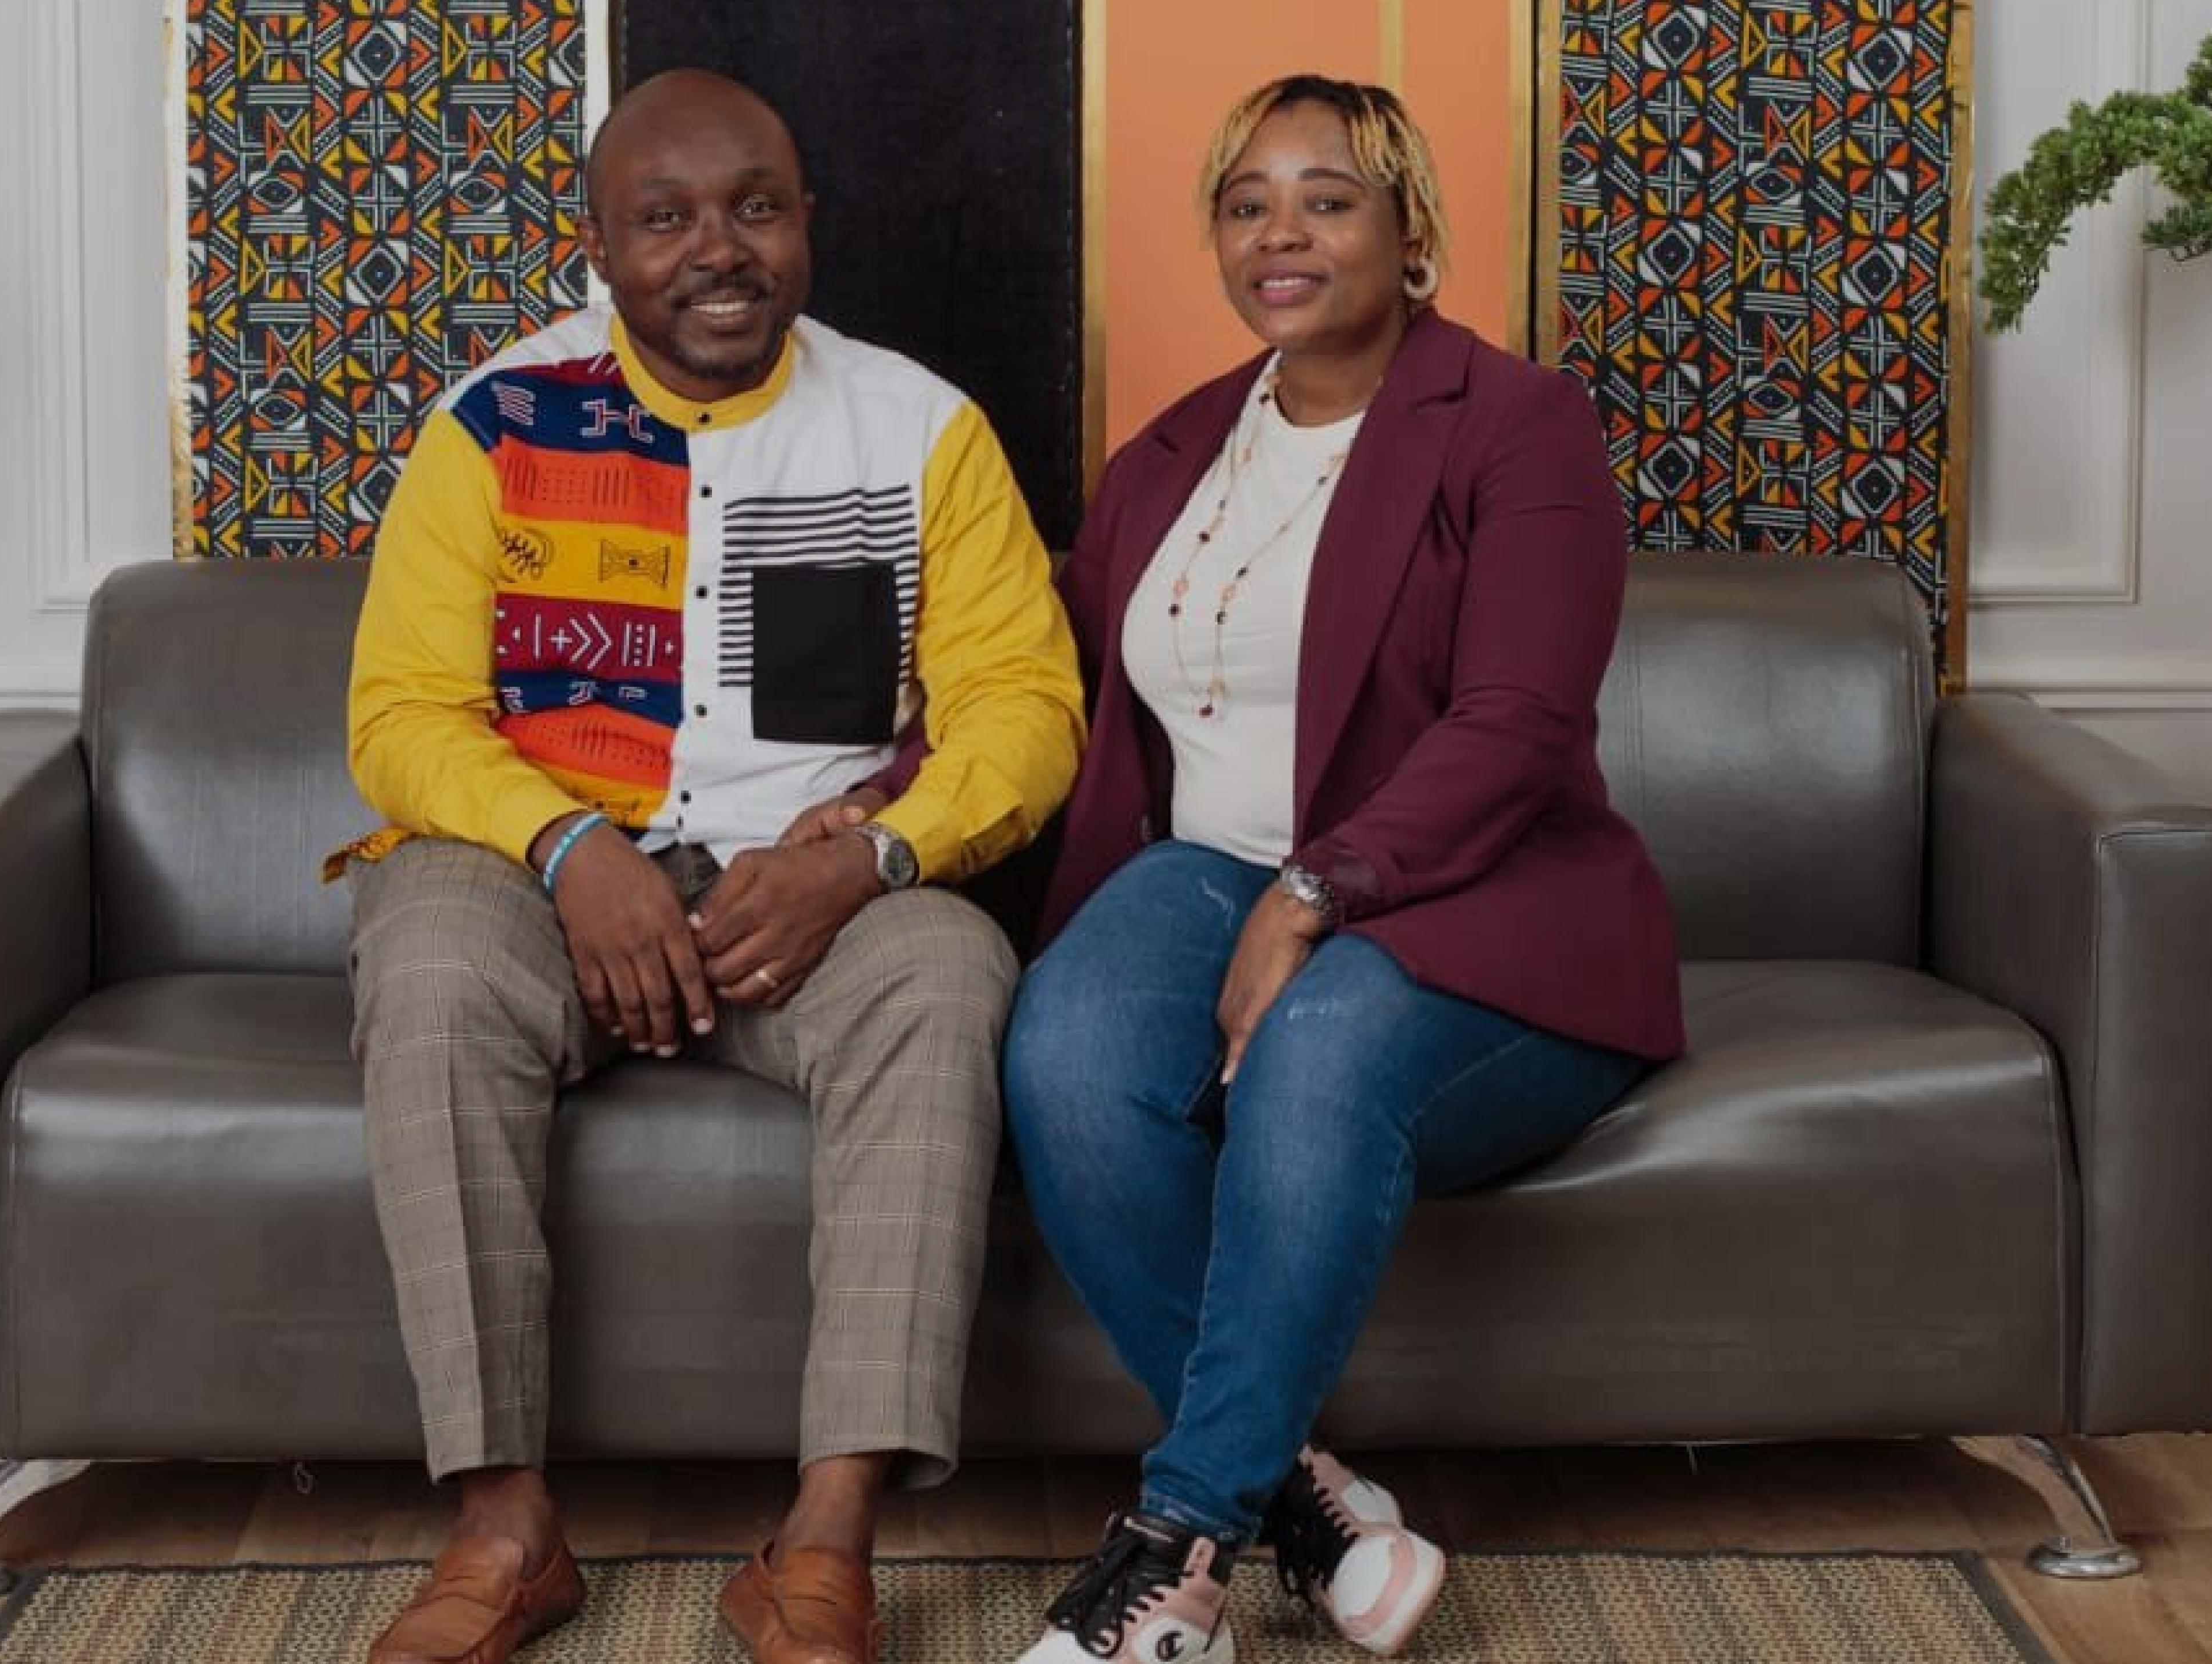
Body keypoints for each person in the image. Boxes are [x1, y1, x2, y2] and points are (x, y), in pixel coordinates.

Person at [337, 67, 1083, 1664]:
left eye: (754, 209)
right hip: (543, 881)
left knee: (950, 969)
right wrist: (569, 846)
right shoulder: (494, 421)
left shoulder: (921, 430)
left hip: (801, 892)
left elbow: (1026, 712)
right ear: (601, 248)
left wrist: (876, 854)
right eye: (665, 219)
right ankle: (506, 1526)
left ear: (808, 223)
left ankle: (825, 1539)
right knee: (429, 955)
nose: (716, 250)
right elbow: (399, 713)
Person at [1002, 74, 1684, 1663]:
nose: (1281, 234)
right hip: (1206, 875)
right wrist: (864, 798)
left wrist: (1316, 892)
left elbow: (1519, 724)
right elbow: (1051, 683)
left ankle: (1175, 1555)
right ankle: (1309, 1510)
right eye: (1247, 204)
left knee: (1317, 1052)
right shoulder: (1175, 451)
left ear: (1411, 229)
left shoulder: (1516, 424)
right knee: (1065, 1057)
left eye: (1328, 199)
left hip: (1482, 911)